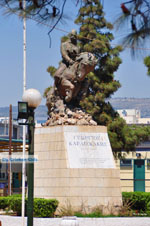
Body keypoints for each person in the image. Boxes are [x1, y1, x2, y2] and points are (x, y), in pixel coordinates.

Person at [54, 29, 80, 102]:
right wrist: (69, 60)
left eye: (75, 36)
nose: (74, 38)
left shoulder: (77, 47)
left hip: (75, 64)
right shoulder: (64, 44)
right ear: (70, 36)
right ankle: (56, 86)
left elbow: (78, 55)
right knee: (57, 74)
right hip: (66, 63)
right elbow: (64, 54)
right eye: (73, 36)